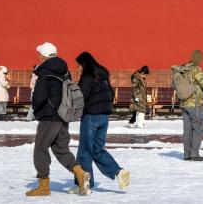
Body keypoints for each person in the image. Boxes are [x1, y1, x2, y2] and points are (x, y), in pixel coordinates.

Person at [26, 42, 90, 197]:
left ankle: (43, 186)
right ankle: (79, 172)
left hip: (49, 117)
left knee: (40, 149)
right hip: (63, 116)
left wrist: (35, 106)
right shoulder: (64, 71)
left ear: (43, 56)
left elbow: (39, 98)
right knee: (60, 149)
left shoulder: (45, 72)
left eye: (39, 54)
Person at [75, 51, 130, 192]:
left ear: (84, 64)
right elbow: (111, 94)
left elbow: (81, 96)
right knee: (97, 150)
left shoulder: (87, 77)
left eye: (78, 65)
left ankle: (84, 184)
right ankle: (118, 171)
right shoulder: (103, 76)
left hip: (91, 117)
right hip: (104, 117)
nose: (77, 68)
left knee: (84, 151)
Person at [172, 50, 203, 161]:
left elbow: (174, 84)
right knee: (198, 128)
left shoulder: (182, 69)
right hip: (195, 104)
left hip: (184, 103)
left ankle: (186, 154)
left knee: (187, 129)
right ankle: (194, 154)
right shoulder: (196, 69)